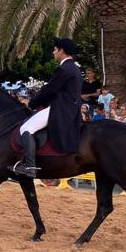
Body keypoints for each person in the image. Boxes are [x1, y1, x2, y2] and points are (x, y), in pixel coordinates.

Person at [13, 37, 83, 177]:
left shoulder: (64, 69)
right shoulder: (74, 68)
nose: (53, 52)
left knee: (26, 128)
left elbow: (49, 90)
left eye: (55, 50)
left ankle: (30, 166)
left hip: (61, 109)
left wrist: (31, 103)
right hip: (70, 108)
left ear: (61, 51)